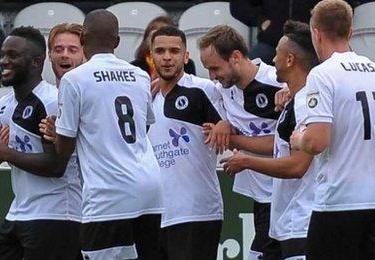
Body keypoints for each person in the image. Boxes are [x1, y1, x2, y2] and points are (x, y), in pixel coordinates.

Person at [0, 26, 82, 260]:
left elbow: (56, 166)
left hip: (56, 214)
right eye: (3, 54)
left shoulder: (52, 101)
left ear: (36, 63)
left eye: (12, 56)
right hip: (19, 211)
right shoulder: (4, 104)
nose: (4, 61)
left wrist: (7, 154)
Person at [289, 1, 375, 259]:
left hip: (340, 201)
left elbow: (317, 142)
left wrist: (298, 139)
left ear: (316, 33)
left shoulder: (322, 74)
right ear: (350, 32)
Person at [50, 10, 164, 259]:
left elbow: (64, 149)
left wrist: (54, 133)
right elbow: (143, 128)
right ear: (117, 41)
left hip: (108, 194)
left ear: (82, 39)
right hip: (150, 189)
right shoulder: (140, 75)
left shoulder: (74, 80)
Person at [221, 20, 318, 260]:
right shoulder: (293, 100)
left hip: (302, 220)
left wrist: (246, 161)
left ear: (290, 60)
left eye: (277, 54)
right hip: (285, 221)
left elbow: (297, 166)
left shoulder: (305, 104)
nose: (272, 60)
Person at [199, 25, 285, 259]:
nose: (213, 76)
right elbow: (188, 85)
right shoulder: (223, 90)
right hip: (261, 198)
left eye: (215, 68)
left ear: (235, 57)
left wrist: (233, 138)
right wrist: (223, 125)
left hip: (287, 195)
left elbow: (283, 143)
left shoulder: (278, 83)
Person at [147, 26, 224, 260]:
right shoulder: (145, 97)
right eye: (160, 51)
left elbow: (236, 115)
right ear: (151, 56)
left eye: (174, 51)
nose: (167, 57)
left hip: (196, 212)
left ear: (186, 56)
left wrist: (224, 125)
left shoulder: (205, 89)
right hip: (155, 213)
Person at [131, 16, 196, 78]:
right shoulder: (134, 67)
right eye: (153, 36)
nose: (167, 57)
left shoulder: (187, 65)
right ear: (146, 40)